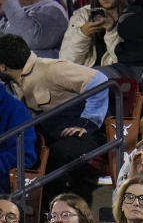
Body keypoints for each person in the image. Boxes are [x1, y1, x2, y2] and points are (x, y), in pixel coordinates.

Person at [0, 34, 109, 201]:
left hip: (84, 133)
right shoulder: (13, 83)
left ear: (2, 67)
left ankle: (71, 209)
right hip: (52, 131)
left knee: (61, 154)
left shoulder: (51, 68)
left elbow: (100, 81)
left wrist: (87, 122)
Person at [60, 0, 130, 67]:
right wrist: (83, 33)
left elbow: (125, 62)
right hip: (86, 78)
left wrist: (111, 32)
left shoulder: (131, 17)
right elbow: (66, 62)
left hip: (115, 78)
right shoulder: (82, 15)